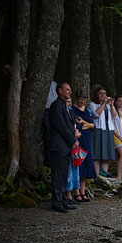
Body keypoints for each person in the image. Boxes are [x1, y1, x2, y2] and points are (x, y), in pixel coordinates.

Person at [49, 82, 79, 213]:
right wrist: (73, 140)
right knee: (58, 174)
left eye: (70, 90)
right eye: (67, 89)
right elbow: (61, 126)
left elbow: (70, 124)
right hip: (58, 145)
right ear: (60, 90)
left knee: (64, 174)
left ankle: (63, 199)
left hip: (66, 146)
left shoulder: (65, 106)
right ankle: (56, 201)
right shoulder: (56, 106)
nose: (70, 92)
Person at [71, 89, 96, 202]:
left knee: (86, 164)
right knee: (78, 164)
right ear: (77, 99)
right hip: (78, 139)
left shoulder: (88, 111)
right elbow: (76, 124)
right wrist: (85, 125)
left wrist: (84, 123)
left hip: (87, 139)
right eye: (80, 99)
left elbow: (92, 125)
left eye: (84, 99)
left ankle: (83, 190)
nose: (82, 101)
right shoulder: (73, 109)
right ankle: (76, 192)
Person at [90, 85, 117, 176]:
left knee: (106, 155)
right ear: (96, 95)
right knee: (97, 154)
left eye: (104, 94)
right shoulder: (93, 104)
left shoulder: (108, 106)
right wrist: (103, 104)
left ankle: (104, 175)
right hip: (98, 130)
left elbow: (115, 116)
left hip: (108, 130)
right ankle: (96, 175)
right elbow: (96, 115)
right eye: (100, 94)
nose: (103, 95)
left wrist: (112, 105)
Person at [64, 97, 81, 205]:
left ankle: (76, 190)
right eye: (67, 102)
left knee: (76, 168)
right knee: (69, 170)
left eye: (70, 101)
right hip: (68, 144)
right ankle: (68, 194)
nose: (69, 103)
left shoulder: (71, 113)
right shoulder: (63, 114)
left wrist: (77, 134)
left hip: (75, 144)